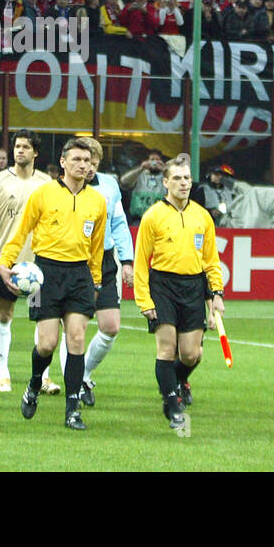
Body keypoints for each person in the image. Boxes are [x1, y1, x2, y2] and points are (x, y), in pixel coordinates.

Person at [0, 137, 107, 430]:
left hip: (80, 275)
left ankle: (73, 409)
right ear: (63, 163)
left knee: (77, 340)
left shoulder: (97, 201)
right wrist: (5, 263)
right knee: (46, 344)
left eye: (87, 161)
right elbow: (21, 232)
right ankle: (34, 385)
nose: (83, 165)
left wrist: (95, 281)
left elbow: (96, 247)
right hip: (44, 274)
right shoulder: (42, 194)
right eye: (77, 160)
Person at [133, 157, 224, 428]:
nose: (184, 183)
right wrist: (144, 300)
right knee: (166, 348)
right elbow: (141, 262)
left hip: (193, 287)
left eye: (187, 178)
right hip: (162, 286)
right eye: (177, 178)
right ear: (165, 182)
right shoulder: (153, 216)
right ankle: (172, 406)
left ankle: (174, 381)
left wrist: (216, 294)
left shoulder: (202, 215)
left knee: (191, 354)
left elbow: (211, 259)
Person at [0, 129, 51, 392]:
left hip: (38, 265)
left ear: (35, 152)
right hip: (5, 263)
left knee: (42, 317)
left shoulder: (46, 184)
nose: (19, 151)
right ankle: (3, 373)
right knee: (4, 314)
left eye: (25, 147)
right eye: (17, 146)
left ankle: (43, 377)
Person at [75, 137, 133, 407]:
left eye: (93, 163)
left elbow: (119, 222)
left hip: (105, 260)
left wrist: (127, 259)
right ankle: (72, 383)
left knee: (110, 327)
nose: (88, 168)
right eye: (83, 161)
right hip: (73, 261)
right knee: (75, 328)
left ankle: (84, 373)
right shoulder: (62, 190)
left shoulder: (109, 185)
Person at [121, 149, 166, 221]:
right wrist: (141, 168)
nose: (154, 162)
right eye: (152, 159)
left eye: (157, 160)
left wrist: (164, 170)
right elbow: (124, 181)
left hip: (160, 219)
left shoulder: (166, 177)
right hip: (138, 219)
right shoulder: (139, 175)